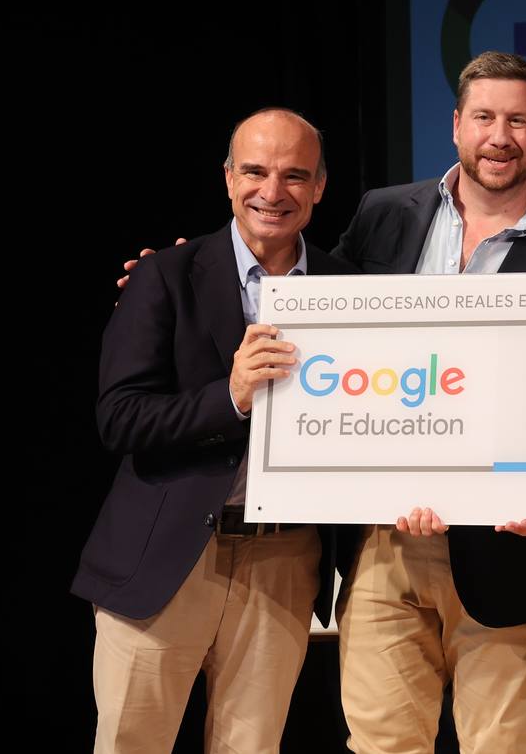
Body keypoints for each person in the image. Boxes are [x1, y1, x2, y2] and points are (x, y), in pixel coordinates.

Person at [329, 51, 526, 753]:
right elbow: (314, 321)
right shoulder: (381, 216)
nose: (500, 136)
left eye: (518, 121)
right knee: (380, 744)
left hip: (507, 556)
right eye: (485, 117)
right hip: (385, 542)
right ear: (457, 124)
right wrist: (186, 282)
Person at [72, 108, 359, 753]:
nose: (272, 191)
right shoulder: (163, 275)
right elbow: (120, 418)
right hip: (166, 558)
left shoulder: (348, 288)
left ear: (319, 187)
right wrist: (229, 398)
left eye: (295, 175)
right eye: (254, 171)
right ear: (228, 179)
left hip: (284, 559)